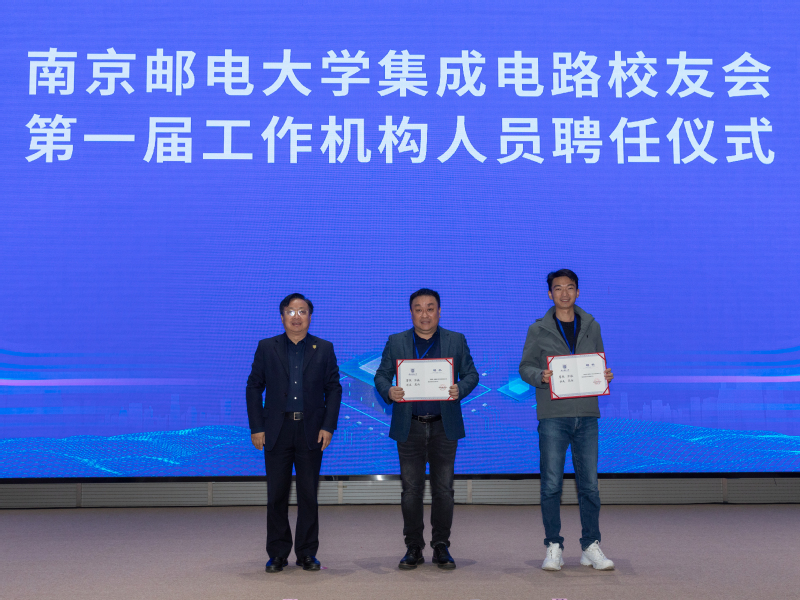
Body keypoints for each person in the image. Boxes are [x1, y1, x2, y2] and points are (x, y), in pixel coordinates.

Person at [374, 288, 480, 570]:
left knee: (443, 490)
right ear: (411, 313)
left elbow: (472, 374)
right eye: (418, 309)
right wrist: (389, 391)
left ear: (439, 311)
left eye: (430, 308)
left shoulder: (455, 340)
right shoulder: (396, 341)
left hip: (444, 426)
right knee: (411, 491)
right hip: (409, 426)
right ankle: (413, 547)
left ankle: (441, 545)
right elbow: (381, 375)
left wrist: (460, 389)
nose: (424, 314)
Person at [518, 270, 615, 571]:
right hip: (553, 416)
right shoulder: (538, 329)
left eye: (569, 288)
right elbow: (525, 367)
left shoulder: (592, 325)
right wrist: (541, 375)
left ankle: (590, 545)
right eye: (558, 288)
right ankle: (553, 545)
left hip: (586, 414)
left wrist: (605, 374)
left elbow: (598, 362)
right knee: (551, 485)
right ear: (550, 294)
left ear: (578, 292)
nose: (564, 293)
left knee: (590, 486)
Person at [245, 293, 342, 573]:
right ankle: (277, 554)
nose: (296, 317)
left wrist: (328, 426)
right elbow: (254, 387)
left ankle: (307, 553)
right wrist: (257, 427)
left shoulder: (324, 348)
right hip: (277, 430)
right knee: (276, 494)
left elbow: (333, 389)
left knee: (308, 494)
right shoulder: (267, 347)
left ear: (310, 316)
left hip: (311, 430)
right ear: (282, 316)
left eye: (302, 311)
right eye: (290, 311)